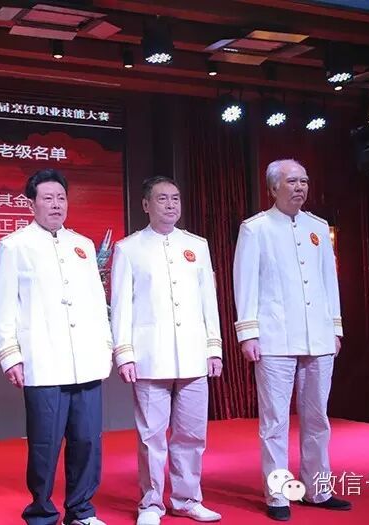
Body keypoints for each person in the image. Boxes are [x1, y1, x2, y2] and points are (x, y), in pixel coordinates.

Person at [232, 159, 352, 522]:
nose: (300, 187)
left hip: (318, 338)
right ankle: (278, 494)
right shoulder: (255, 228)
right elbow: (245, 283)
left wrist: (335, 328)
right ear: (273, 188)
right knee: (274, 422)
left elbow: (329, 281)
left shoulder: (318, 227)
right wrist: (248, 333)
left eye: (304, 181)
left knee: (318, 419)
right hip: (275, 339)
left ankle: (318, 489)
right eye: (292, 181)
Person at [0, 169, 111, 525]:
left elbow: (97, 300)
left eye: (61, 198)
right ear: (31, 204)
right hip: (42, 361)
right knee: (45, 445)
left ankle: (81, 511)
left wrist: (105, 345)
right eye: (48, 198)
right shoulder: (14, 245)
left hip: (86, 360)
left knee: (87, 441)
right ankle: (42, 512)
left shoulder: (82, 245)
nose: (56, 204)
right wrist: (10, 355)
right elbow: (3, 306)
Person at [111, 176, 223, 525]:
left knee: (192, 434)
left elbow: (209, 301)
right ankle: (151, 503)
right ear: (146, 205)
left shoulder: (197, 245)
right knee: (151, 437)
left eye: (175, 198)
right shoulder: (128, 248)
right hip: (150, 356)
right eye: (162, 199)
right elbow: (120, 306)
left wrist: (214, 347)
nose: (171, 204)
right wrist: (125, 353)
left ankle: (187, 499)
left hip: (193, 354)